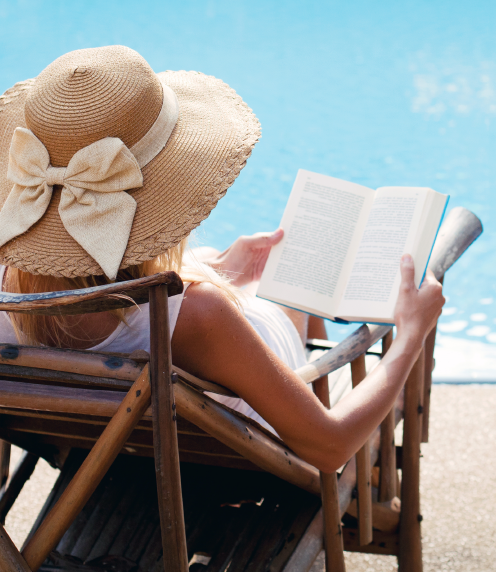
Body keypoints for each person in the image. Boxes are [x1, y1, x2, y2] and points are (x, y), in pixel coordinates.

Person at [0, 46, 444, 474]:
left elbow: (113, 300)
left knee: (253, 273)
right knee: (295, 292)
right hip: (242, 461)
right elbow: (329, 449)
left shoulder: (9, 295)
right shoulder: (198, 315)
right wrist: (410, 333)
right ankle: (323, 393)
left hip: (111, 454)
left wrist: (217, 266)